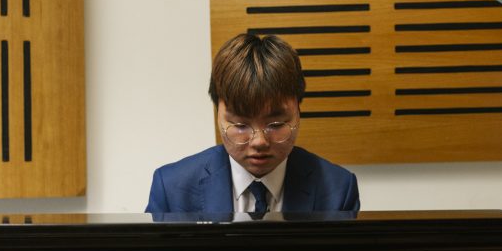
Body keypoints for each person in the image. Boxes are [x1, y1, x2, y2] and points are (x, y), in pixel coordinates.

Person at [145, 34, 360, 215]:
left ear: (298, 113)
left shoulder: (338, 190)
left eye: (276, 124)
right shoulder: (172, 189)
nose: (259, 141)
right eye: (240, 124)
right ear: (218, 116)